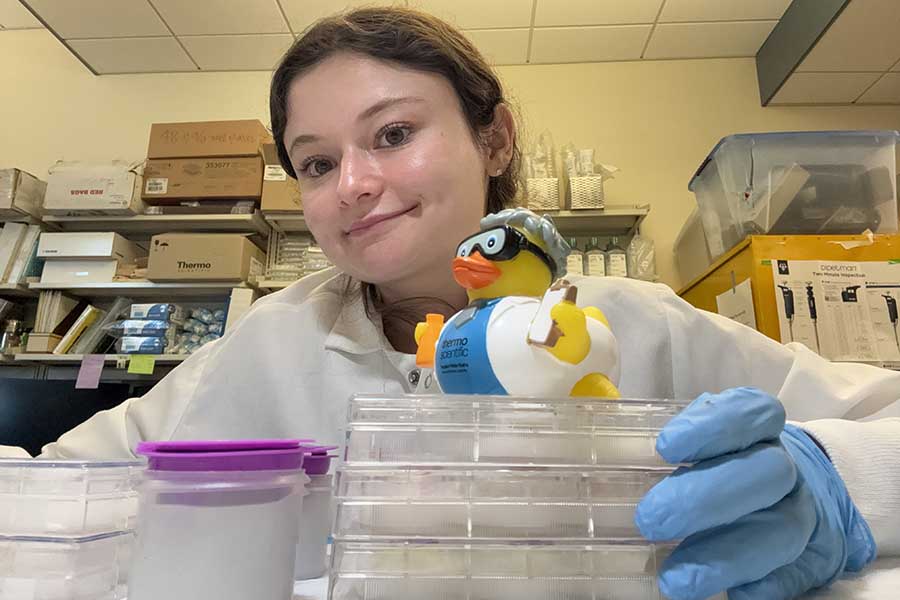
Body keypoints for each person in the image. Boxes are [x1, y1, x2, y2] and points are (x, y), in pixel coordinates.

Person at [5, 7, 899, 600]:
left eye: (393, 134)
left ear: (494, 136)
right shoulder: (272, 341)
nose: (353, 183)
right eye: (316, 163)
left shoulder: (631, 324)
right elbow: (54, 485)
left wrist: (836, 480)